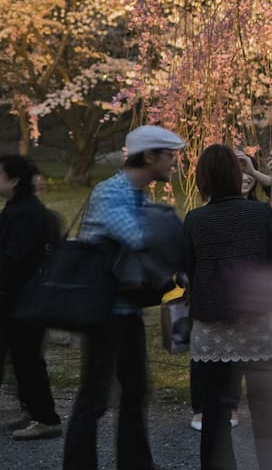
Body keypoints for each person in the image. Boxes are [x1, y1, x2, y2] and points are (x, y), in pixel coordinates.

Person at [63, 124, 185, 470]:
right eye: (169, 155)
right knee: (95, 398)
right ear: (148, 156)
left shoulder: (136, 193)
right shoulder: (110, 193)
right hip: (102, 311)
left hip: (125, 309)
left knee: (135, 391)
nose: (174, 162)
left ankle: (135, 462)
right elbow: (140, 238)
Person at [184, 145, 272, 470]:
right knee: (266, 407)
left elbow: (188, 268)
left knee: (215, 410)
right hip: (255, 317)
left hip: (213, 321)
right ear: (236, 175)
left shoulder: (195, 219)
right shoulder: (260, 214)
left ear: (203, 179)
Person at [188, 169, 257, 433]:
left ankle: (228, 405)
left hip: (239, 295)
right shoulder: (198, 217)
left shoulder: (258, 213)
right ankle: (203, 407)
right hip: (212, 295)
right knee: (205, 356)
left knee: (235, 354)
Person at [0, 155, 63, 440]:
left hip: (21, 299)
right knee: (24, 358)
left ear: (13, 180)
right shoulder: (21, 209)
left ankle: (45, 417)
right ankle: (34, 410)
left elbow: (16, 258)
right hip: (23, 298)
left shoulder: (24, 213)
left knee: (27, 359)